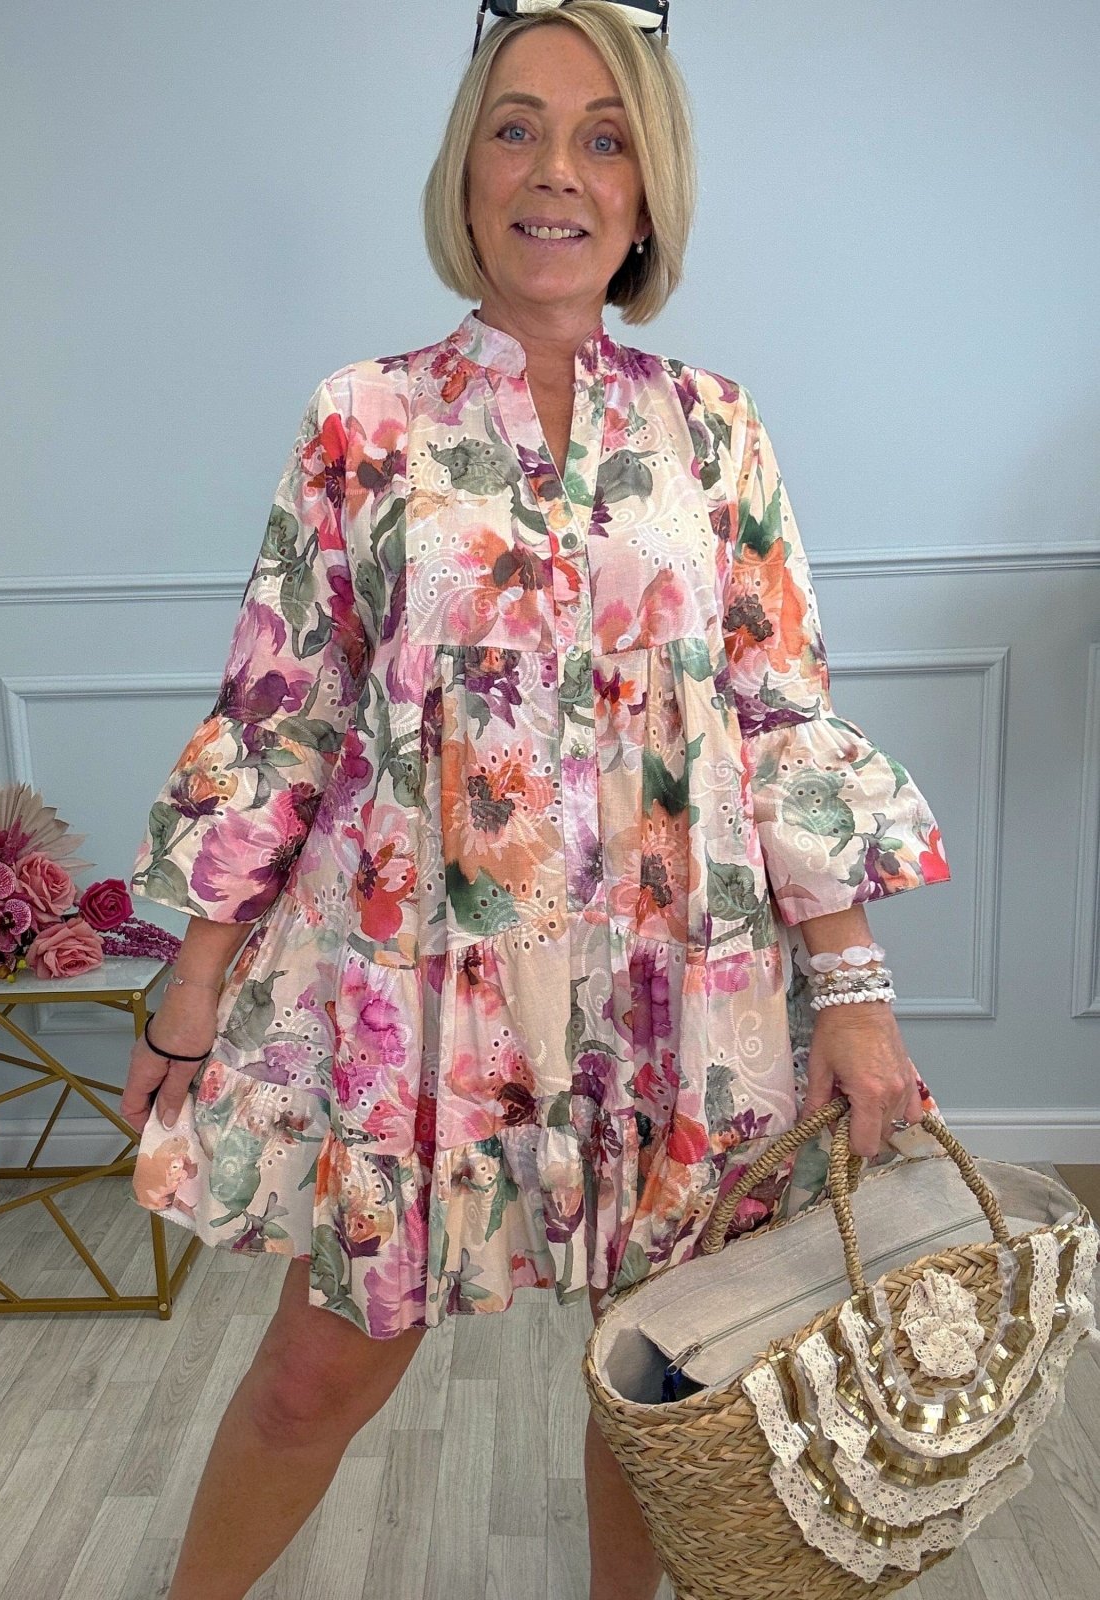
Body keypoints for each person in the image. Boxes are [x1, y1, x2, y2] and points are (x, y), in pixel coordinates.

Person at [119, 4, 951, 1597]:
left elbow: (780, 719)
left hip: (679, 990)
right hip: (421, 992)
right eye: (516, 127)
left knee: (657, 1392)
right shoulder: (364, 418)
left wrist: (852, 995)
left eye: (603, 137)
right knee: (312, 1379)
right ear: (467, 169)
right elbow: (286, 711)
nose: (556, 169)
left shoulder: (715, 429)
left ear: (647, 194)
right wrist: (194, 982)